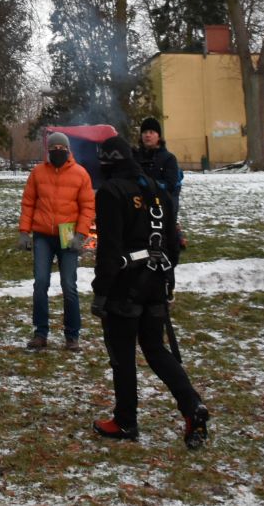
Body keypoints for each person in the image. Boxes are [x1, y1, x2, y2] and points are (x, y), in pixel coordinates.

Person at [90, 135, 209, 449]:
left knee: (123, 357)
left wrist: (100, 292)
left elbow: (110, 249)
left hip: (123, 287)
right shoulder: (157, 190)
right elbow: (173, 241)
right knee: (156, 350)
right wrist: (167, 278)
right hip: (156, 283)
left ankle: (125, 420)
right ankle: (191, 406)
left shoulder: (111, 192)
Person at [17, 131, 97, 350]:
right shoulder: (37, 173)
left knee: (69, 285)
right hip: (43, 235)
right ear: (48, 151)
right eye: (54, 149)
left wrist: (80, 235)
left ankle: (72, 335)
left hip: (69, 234)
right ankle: (40, 332)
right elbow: (28, 203)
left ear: (68, 150)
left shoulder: (81, 174)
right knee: (40, 283)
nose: (58, 152)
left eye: (62, 149)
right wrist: (24, 232)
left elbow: (88, 207)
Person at [135, 118, 183, 204]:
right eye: (144, 132)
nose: (147, 135)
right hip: (137, 204)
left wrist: (149, 184)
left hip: (161, 205)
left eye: (151, 132)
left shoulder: (169, 158)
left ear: (159, 136)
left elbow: (170, 185)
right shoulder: (135, 156)